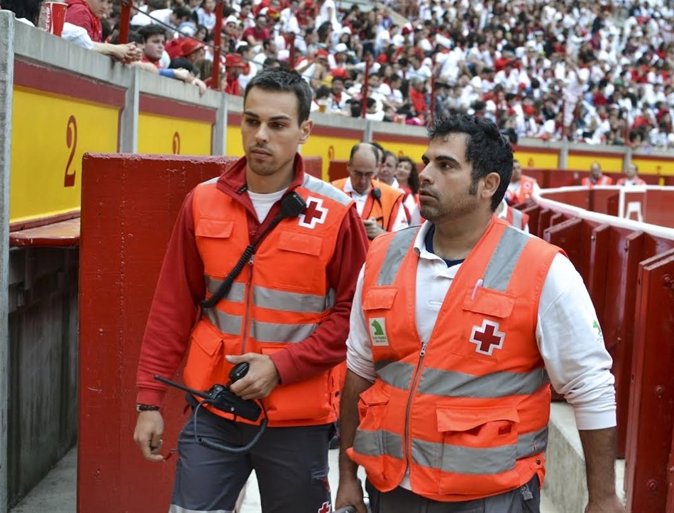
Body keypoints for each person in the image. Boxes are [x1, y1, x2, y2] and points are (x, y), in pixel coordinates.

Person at [335, 114, 623, 513]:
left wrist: (604, 498)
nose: (426, 175)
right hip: (391, 488)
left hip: (492, 496)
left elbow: (590, 386)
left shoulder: (542, 269)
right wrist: (347, 478)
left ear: (488, 184)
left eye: (446, 165)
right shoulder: (382, 255)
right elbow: (359, 371)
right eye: (427, 161)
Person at [133, 68, 368, 513]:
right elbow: (172, 307)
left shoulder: (337, 213)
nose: (261, 135)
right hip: (212, 410)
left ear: (304, 131)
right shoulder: (201, 201)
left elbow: (354, 318)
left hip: (299, 421)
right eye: (251, 121)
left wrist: (281, 367)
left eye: (278, 124)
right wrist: (148, 400)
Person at [331, 143, 409, 240]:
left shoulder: (392, 197)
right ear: (349, 166)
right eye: (358, 173)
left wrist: (381, 234)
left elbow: (403, 242)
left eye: (368, 174)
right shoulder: (331, 191)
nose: (363, 180)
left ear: (377, 168)